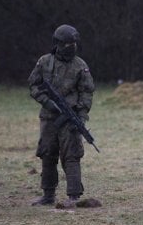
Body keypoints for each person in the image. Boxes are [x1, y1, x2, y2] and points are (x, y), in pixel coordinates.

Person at [28, 24, 95, 208]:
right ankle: (48, 195)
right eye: (66, 43)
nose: (70, 47)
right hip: (49, 117)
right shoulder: (44, 62)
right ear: (57, 43)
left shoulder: (80, 66)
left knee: (71, 155)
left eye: (73, 43)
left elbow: (87, 92)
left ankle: (74, 195)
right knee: (47, 154)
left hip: (70, 117)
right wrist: (46, 101)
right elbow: (33, 85)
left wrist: (81, 115)